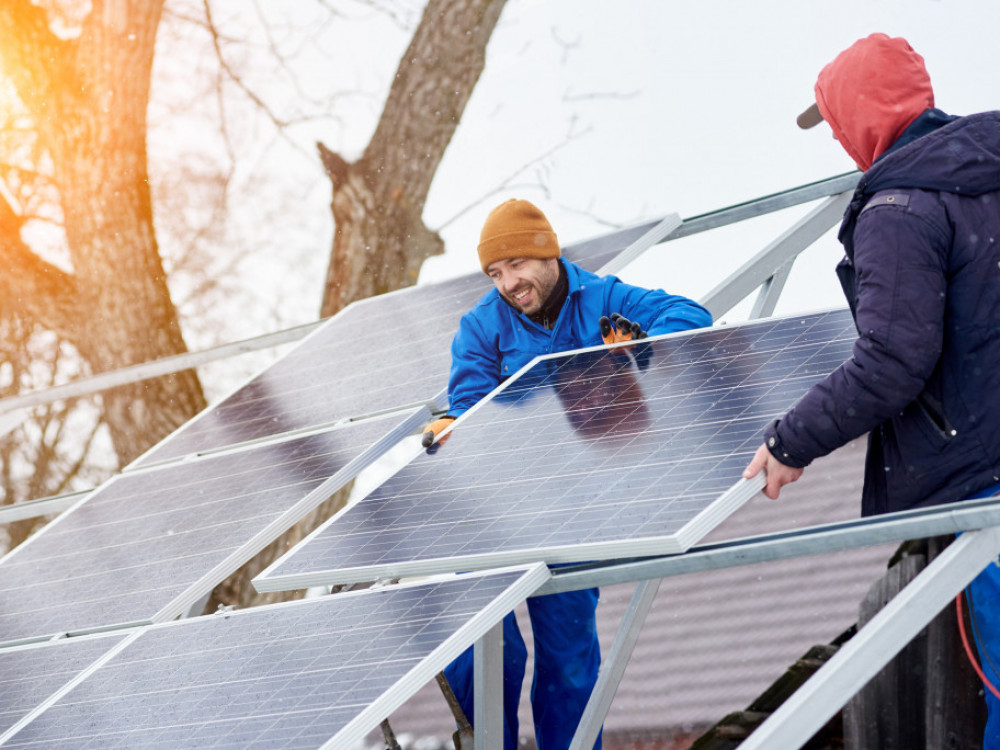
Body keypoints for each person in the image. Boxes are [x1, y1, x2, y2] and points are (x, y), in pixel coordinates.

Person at [741, 33, 1000, 746]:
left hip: (984, 482)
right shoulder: (985, 168)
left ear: (860, 117)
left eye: (833, 123)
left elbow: (893, 358)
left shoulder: (901, 208)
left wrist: (791, 439)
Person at [426, 198, 711, 750]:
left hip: (570, 510)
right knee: (485, 649)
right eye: (495, 272)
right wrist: (454, 425)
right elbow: (470, 405)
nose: (508, 282)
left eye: (515, 266)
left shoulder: (604, 298)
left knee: (570, 660)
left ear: (547, 253)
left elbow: (689, 316)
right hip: (496, 510)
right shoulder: (482, 326)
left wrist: (644, 346)